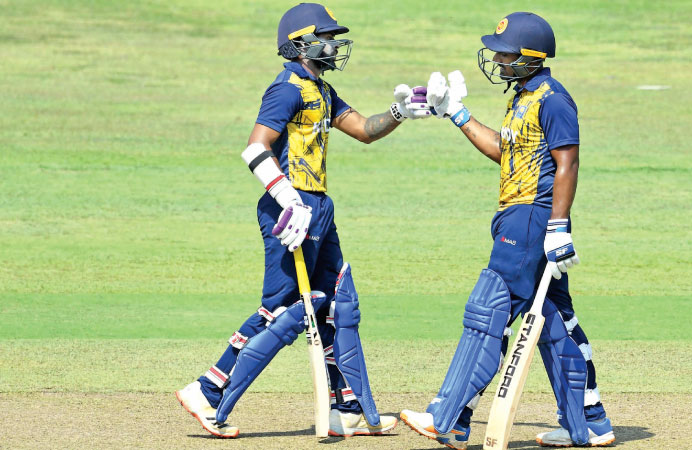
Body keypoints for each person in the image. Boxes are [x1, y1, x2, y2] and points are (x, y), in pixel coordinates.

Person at [175, 3, 431, 438]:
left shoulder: (322, 90)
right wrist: (289, 199)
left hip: (318, 209)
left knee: (335, 301)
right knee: (282, 308)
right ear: (299, 44)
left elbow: (365, 129)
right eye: (325, 37)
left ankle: (345, 406)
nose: (333, 45)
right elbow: (255, 149)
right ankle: (208, 390)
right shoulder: (287, 88)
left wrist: (400, 111)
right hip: (289, 210)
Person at [399, 12, 615, 449]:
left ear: (530, 57)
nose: (497, 58)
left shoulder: (553, 99)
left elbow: (567, 163)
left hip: (533, 218)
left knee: (488, 309)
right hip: (519, 216)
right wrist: (456, 114)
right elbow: (505, 152)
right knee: (556, 322)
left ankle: (449, 417)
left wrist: (557, 227)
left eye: (505, 53)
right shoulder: (522, 97)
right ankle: (589, 424)